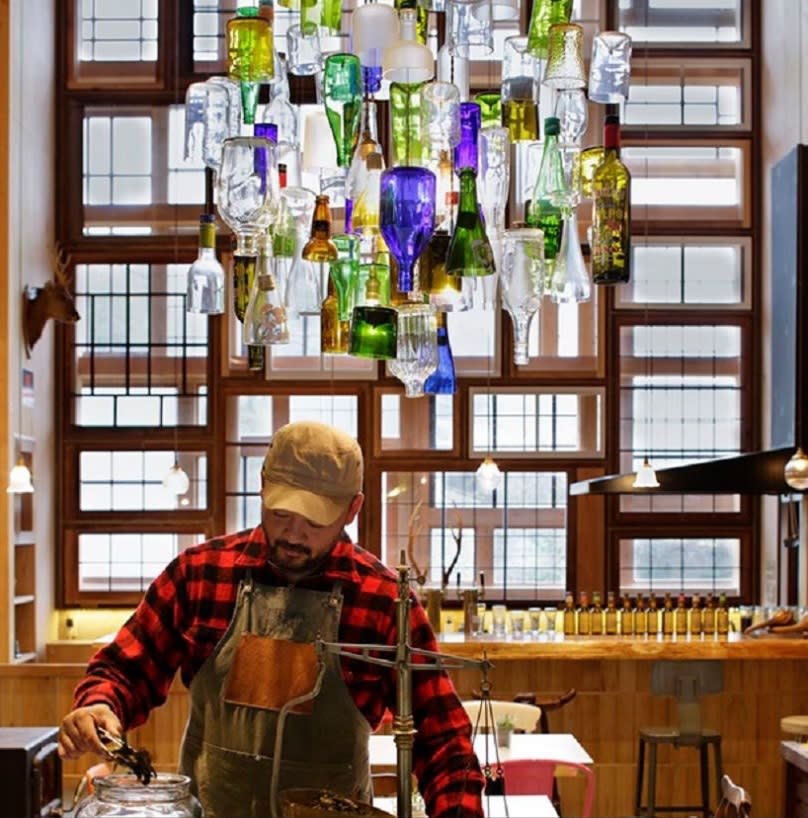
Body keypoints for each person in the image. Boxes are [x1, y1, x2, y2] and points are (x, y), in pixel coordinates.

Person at [58, 420, 484, 818]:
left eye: (315, 520)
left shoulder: (384, 601)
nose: (294, 534)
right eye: (281, 512)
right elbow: (126, 668)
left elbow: (443, 740)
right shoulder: (199, 574)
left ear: (352, 510)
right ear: (262, 487)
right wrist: (100, 703)